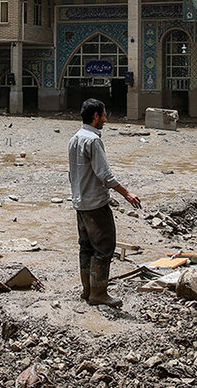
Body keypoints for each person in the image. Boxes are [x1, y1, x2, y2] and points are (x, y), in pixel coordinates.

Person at [69, 98, 141, 307]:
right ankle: (98, 293)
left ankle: (87, 291)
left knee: (86, 247)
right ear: (95, 116)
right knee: (104, 248)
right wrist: (126, 193)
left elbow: (72, 173)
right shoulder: (92, 140)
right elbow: (105, 175)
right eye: (104, 115)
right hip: (95, 205)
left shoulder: (74, 139)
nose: (106, 119)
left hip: (80, 203)